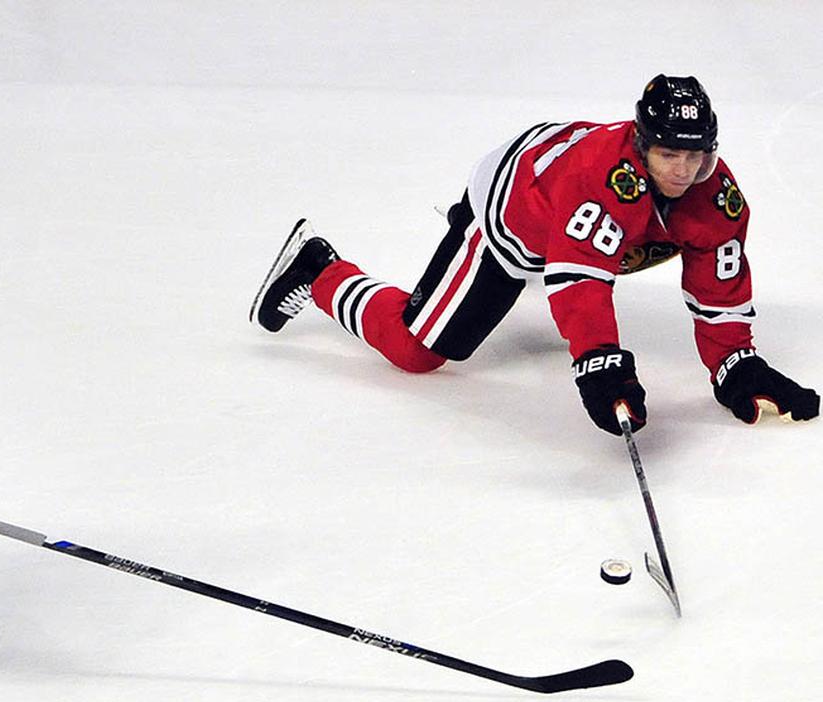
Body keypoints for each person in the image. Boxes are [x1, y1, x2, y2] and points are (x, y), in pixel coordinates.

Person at [250, 75, 818, 434]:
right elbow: (579, 280)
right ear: (642, 143)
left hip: (568, 200)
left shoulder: (714, 193)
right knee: (417, 351)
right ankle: (319, 269)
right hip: (517, 206)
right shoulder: (601, 179)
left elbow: (720, 281)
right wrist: (599, 362)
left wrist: (733, 364)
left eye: (697, 155)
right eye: (670, 153)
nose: (684, 170)